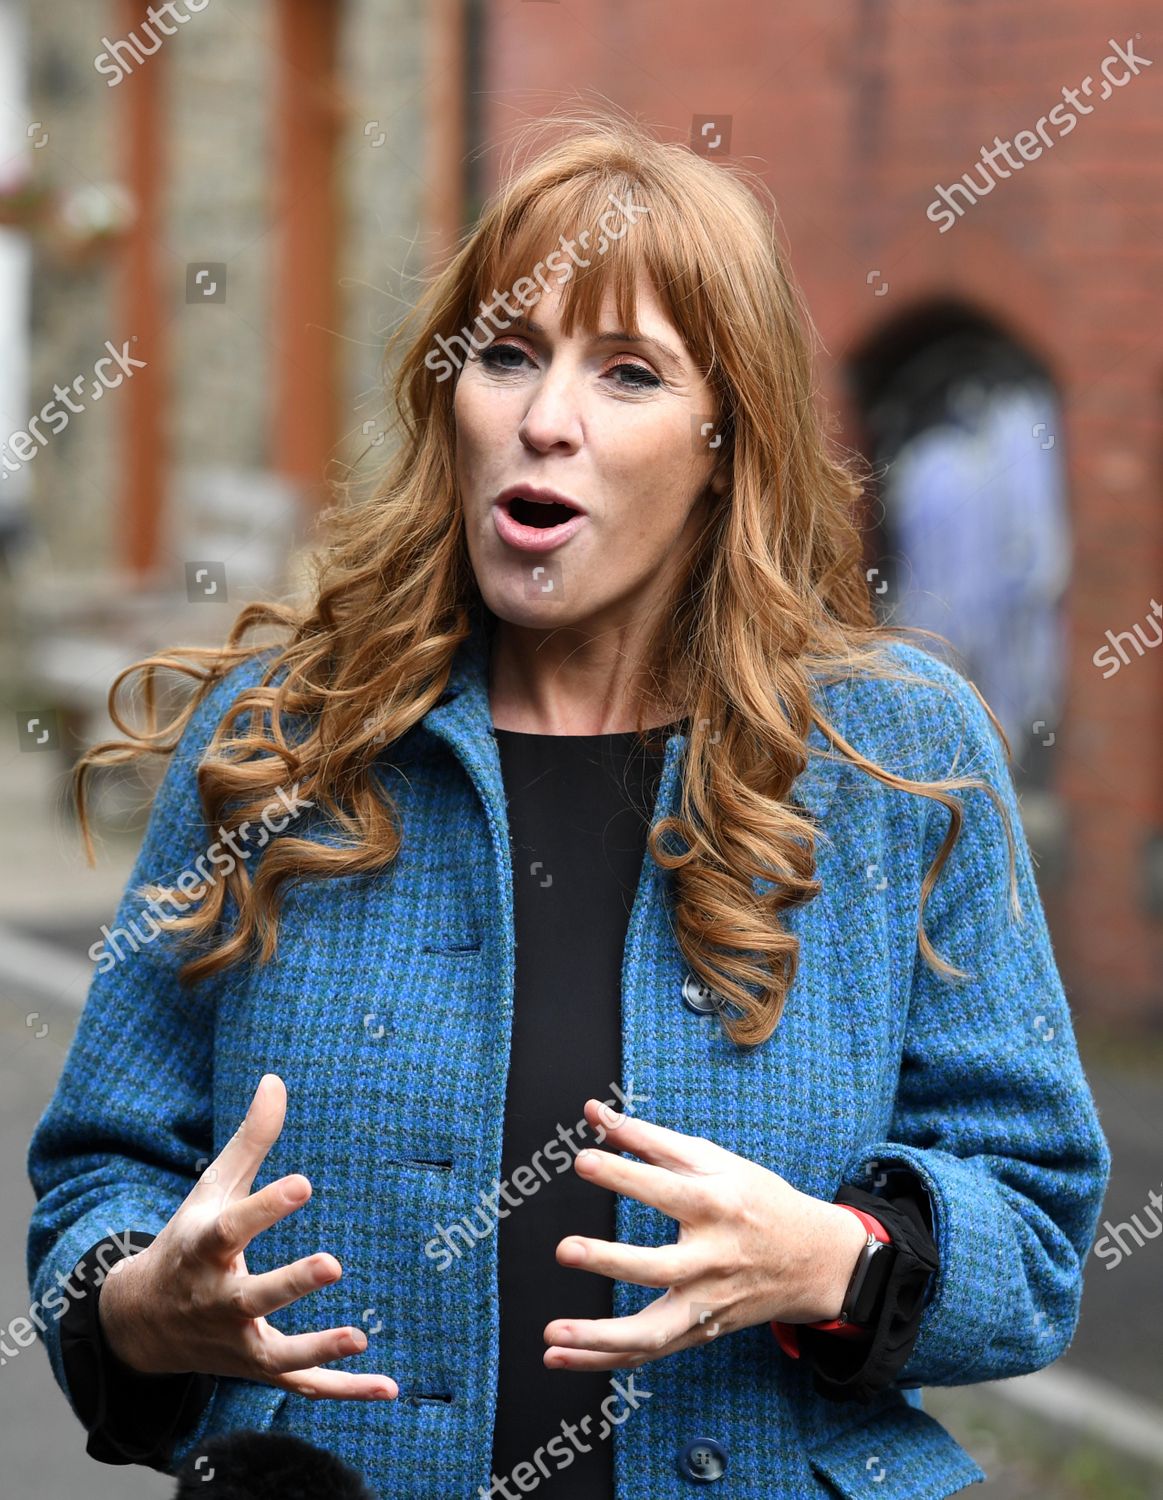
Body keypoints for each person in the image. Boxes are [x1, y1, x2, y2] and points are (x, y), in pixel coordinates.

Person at [26, 107, 1111, 1500]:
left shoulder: (898, 752)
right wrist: (134, 1305)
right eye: (510, 356)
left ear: (727, 436)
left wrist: (834, 1261)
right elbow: (102, 1170)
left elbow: (1033, 1222)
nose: (547, 418)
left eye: (629, 373)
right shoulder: (282, 741)